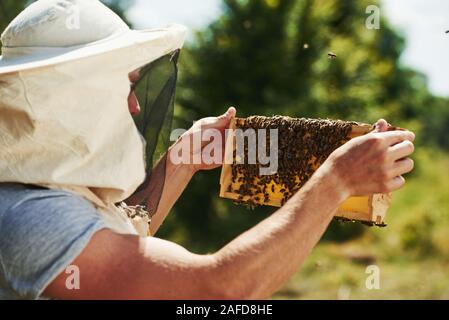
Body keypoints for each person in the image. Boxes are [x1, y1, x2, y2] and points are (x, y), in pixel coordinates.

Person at [0, 0, 415, 300]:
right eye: (126, 84)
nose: (135, 104)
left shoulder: (39, 194)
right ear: (72, 93)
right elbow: (218, 289)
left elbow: (122, 233)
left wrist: (182, 161)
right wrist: (336, 180)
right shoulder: (34, 217)